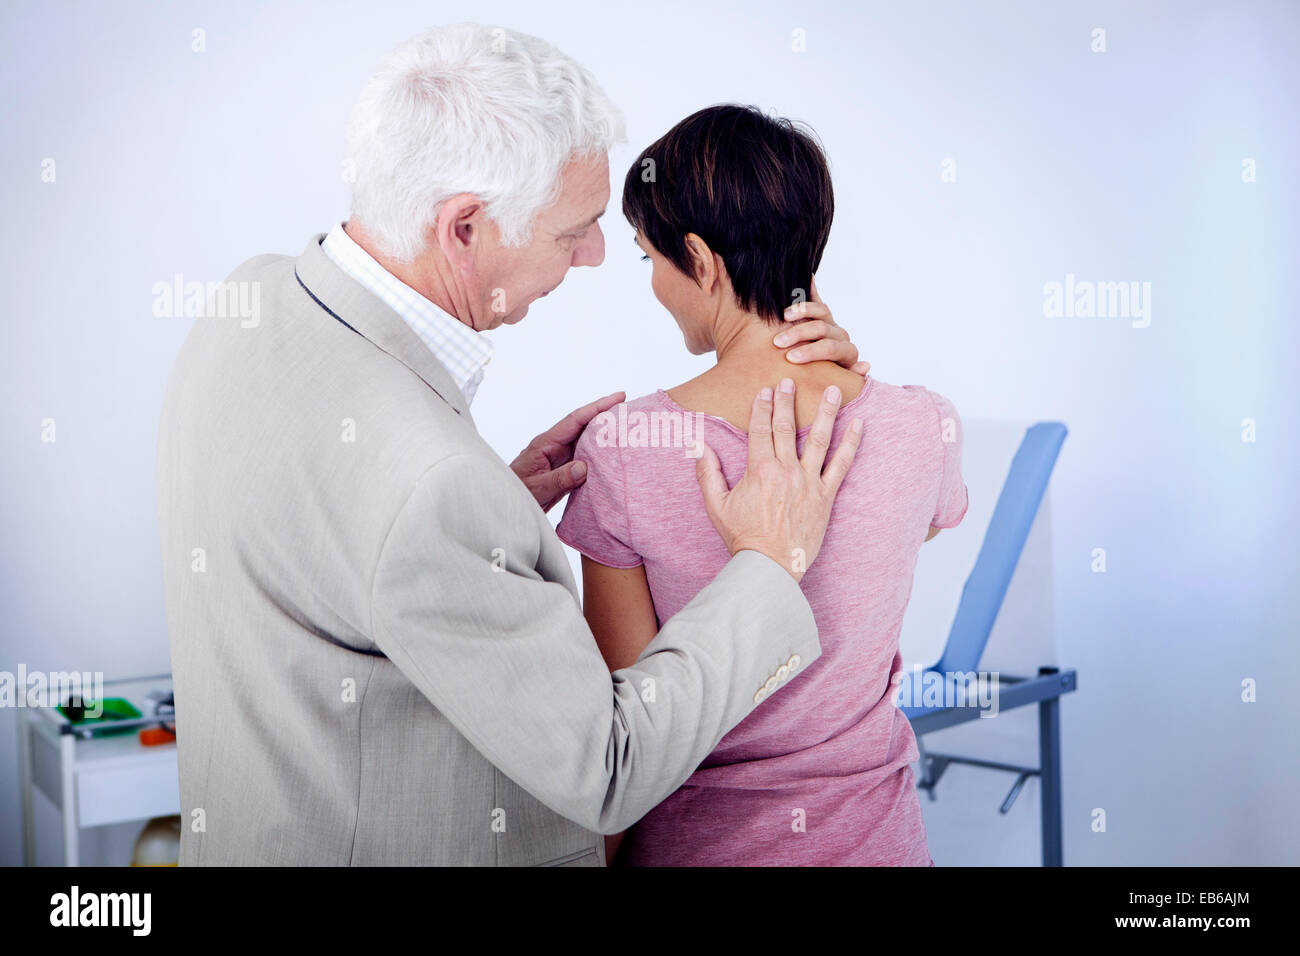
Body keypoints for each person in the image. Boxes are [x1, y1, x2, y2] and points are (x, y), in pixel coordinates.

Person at [155, 25, 869, 865]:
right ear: (465, 229)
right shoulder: (427, 489)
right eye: (575, 232)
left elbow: (329, 516)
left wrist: (482, 510)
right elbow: (607, 768)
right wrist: (767, 566)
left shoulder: (252, 297)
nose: (600, 255)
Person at [557, 105, 969, 866]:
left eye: (649, 259)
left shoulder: (621, 453)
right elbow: (918, 523)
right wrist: (847, 383)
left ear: (701, 260)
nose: (653, 281)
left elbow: (626, 740)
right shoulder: (923, 426)